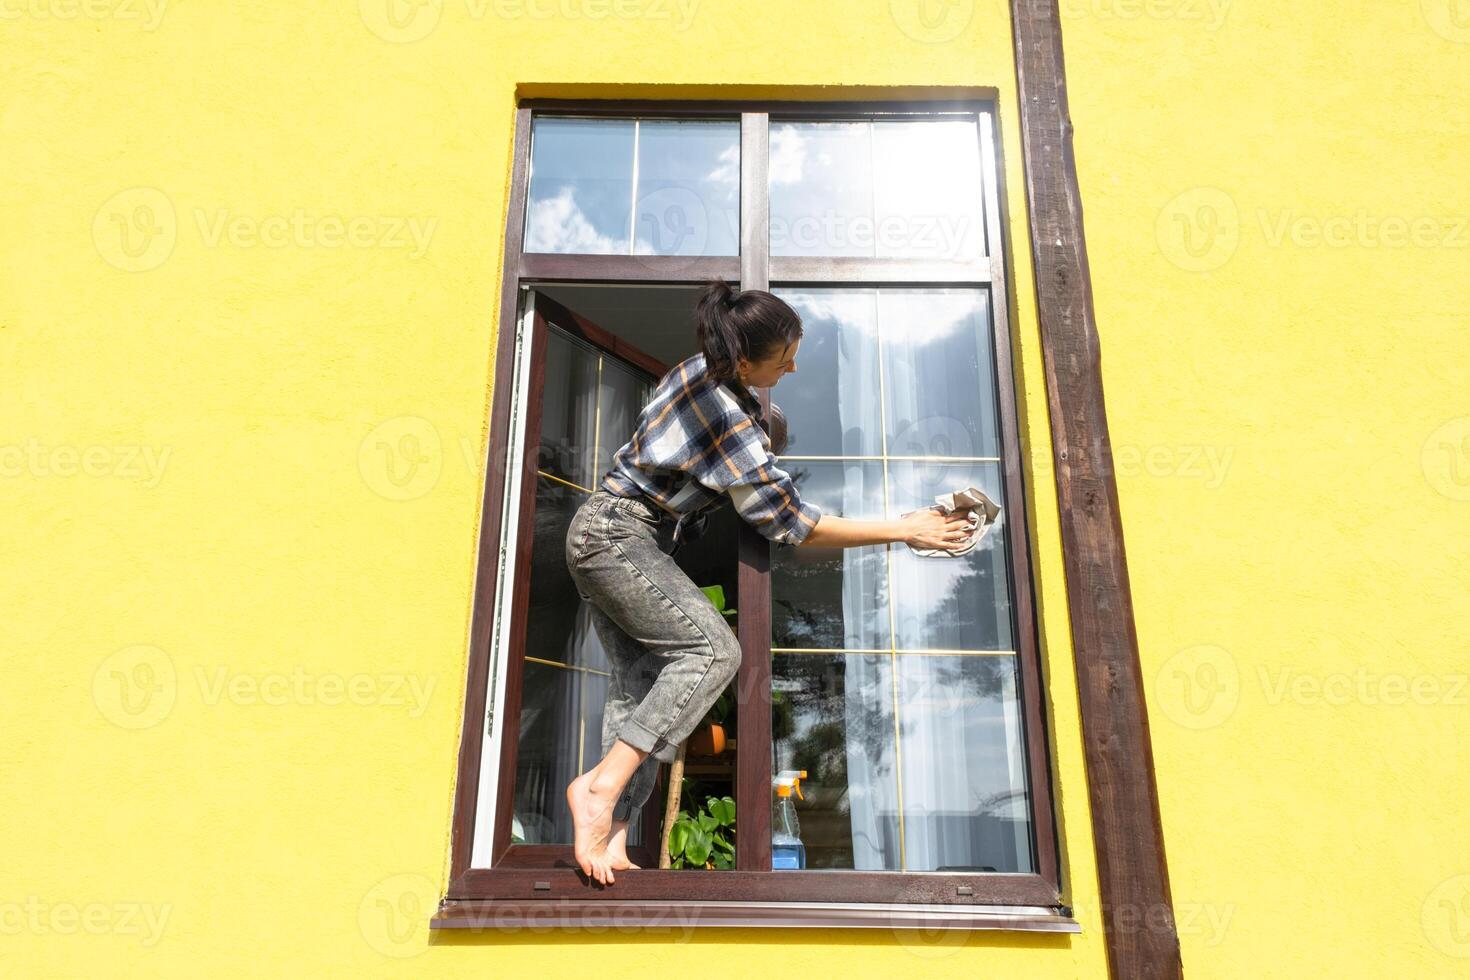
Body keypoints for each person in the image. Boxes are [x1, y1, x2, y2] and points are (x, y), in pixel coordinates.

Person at [563, 277, 973, 885]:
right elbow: (794, 526)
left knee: (640, 684)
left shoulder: (698, 371)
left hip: (613, 534)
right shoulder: (728, 414)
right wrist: (904, 529)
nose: (794, 366)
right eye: (784, 359)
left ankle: (615, 831)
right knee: (712, 652)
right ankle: (599, 789)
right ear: (743, 360)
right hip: (617, 535)